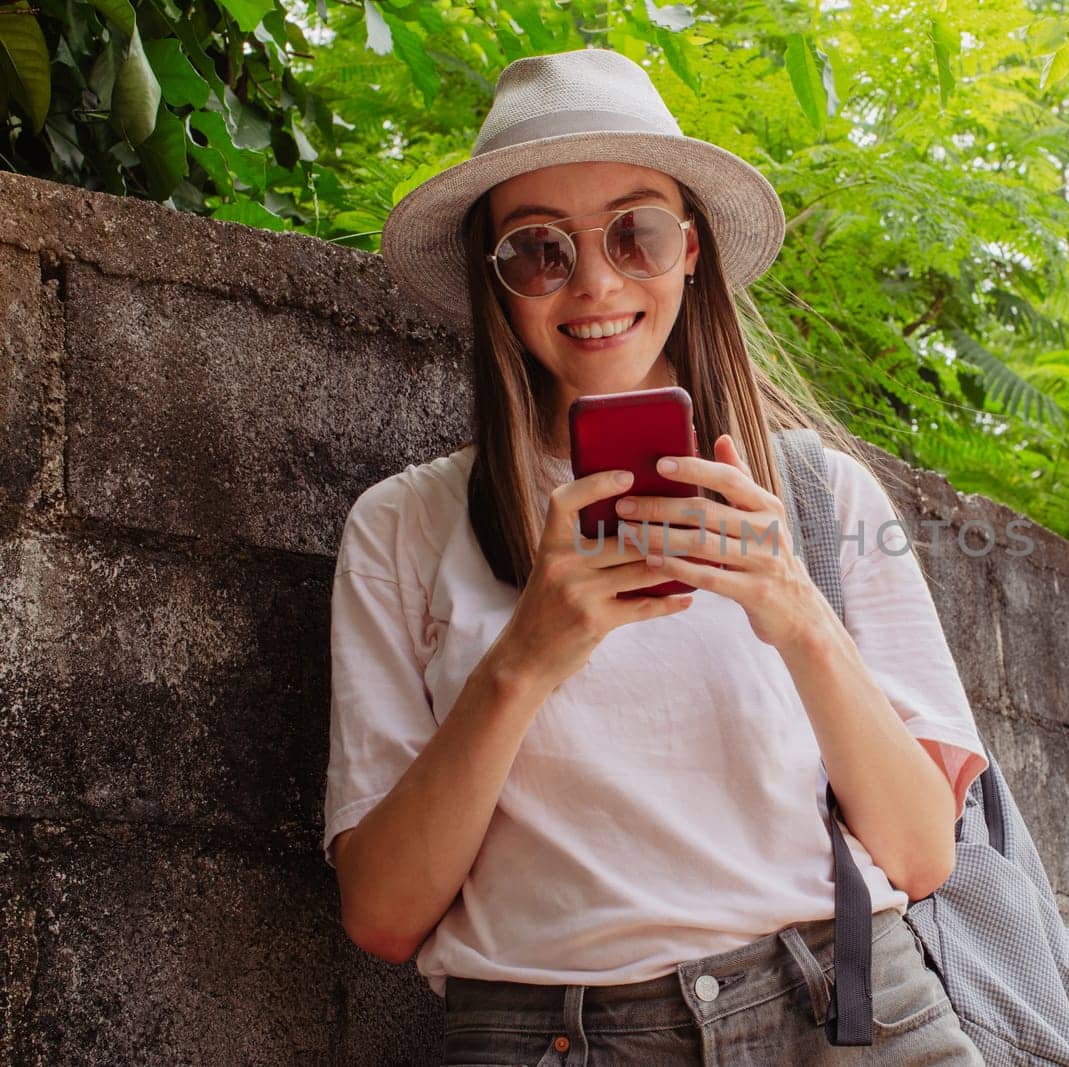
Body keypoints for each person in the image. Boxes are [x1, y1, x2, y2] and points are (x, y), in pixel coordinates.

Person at [322, 47, 990, 1065]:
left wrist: (797, 612)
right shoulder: (404, 524)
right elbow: (381, 913)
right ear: (495, 282)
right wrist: (525, 658)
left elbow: (918, 852)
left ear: (689, 250)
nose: (592, 282)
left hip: (847, 1011)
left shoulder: (819, 493)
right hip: (552, 1035)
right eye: (537, 250)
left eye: (634, 233)